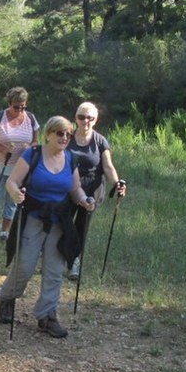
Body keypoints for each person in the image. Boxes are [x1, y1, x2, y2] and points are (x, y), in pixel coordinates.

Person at [0, 117, 96, 338]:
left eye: (68, 135)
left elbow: (75, 188)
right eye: (60, 133)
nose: (64, 138)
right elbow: (12, 181)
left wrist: (84, 200)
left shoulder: (70, 158)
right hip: (33, 216)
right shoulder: (32, 154)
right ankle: (7, 297)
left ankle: (47, 315)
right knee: (25, 265)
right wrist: (16, 193)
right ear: (49, 133)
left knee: (55, 270)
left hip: (59, 220)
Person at [66, 102, 126, 281]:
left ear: (96, 120)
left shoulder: (100, 141)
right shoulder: (67, 137)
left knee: (82, 227)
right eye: (82, 117)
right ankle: (58, 257)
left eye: (90, 118)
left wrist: (117, 183)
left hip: (93, 188)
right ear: (76, 118)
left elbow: (108, 167)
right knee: (64, 223)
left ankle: (74, 262)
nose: (86, 121)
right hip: (68, 187)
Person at [0, 87, 39, 244]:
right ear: (9, 103)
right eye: (16, 106)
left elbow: (36, 142)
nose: (19, 110)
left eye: (23, 106)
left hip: (20, 167)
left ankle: (5, 231)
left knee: (13, 199)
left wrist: (29, 148)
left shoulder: (30, 118)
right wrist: (4, 149)